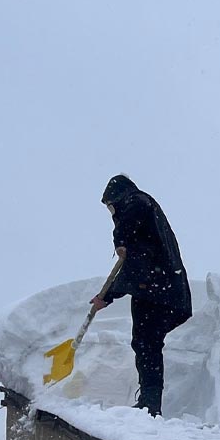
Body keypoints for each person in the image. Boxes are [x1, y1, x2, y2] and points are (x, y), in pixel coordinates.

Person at [90, 174, 192, 417]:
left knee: (147, 344)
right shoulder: (146, 218)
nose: (111, 213)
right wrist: (108, 295)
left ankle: (149, 404)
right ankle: (149, 401)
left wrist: (120, 242)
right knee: (147, 343)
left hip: (156, 292)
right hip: (166, 291)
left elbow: (136, 266)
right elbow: (135, 265)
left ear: (117, 198)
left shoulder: (136, 203)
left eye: (110, 206)